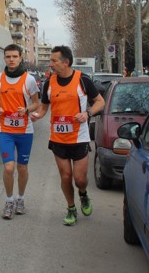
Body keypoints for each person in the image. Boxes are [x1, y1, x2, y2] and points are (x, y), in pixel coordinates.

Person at [31, 45, 105, 226]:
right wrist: (37, 115)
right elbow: (44, 107)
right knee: (65, 176)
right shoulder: (49, 83)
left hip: (79, 137)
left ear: (66, 62)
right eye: (50, 60)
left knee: (79, 179)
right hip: (58, 138)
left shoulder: (83, 80)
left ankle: (83, 194)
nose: (51, 64)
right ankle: (71, 208)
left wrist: (87, 113)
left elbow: (100, 102)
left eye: (54, 61)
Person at [0, 44, 40, 219]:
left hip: (25, 131)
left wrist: (26, 110)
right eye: (8, 56)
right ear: (4, 58)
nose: (11, 59)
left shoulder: (29, 80)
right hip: (5, 130)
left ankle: (21, 198)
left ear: (20, 58)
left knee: (22, 167)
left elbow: (36, 103)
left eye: (14, 56)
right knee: (9, 168)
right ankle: (9, 200)